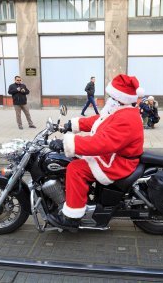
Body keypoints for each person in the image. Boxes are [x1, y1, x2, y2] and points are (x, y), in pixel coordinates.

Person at [48, 74, 145, 230]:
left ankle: (72, 218)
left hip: (118, 162)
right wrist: (72, 125)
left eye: (111, 96)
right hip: (113, 155)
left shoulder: (127, 118)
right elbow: (99, 120)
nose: (108, 99)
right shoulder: (121, 111)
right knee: (73, 160)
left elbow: (102, 143)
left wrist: (67, 143)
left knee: (75, 169)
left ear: (119, 98)